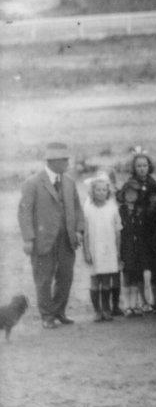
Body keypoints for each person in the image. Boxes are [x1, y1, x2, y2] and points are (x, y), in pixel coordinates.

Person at [17, 140, 85, 328]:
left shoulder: (70, 182)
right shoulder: (32, 183)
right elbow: (24, 212)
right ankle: (47, 316)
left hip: (66, 239)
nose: (68, 163)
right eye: (65, 160)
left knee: (66, 277)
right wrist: (28, 239)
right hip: (42, 240)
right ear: (53, 161)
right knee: (43, 279)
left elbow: (78, 208)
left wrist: (79, 231)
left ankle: (59, 312)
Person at [81, 176, 123, 322]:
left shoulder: (112, 207)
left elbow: (117, 231)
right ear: (92, 191)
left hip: (109, 249)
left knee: (106, 281)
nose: (101, 192)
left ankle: (106, 309)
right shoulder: (88, 208)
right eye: (97, 190)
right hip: (94, 249)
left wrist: (118, 251)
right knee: (94, 280)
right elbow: (85, 233)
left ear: (108, 191)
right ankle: (97, 311)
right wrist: (86, 251)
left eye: (104, 190)